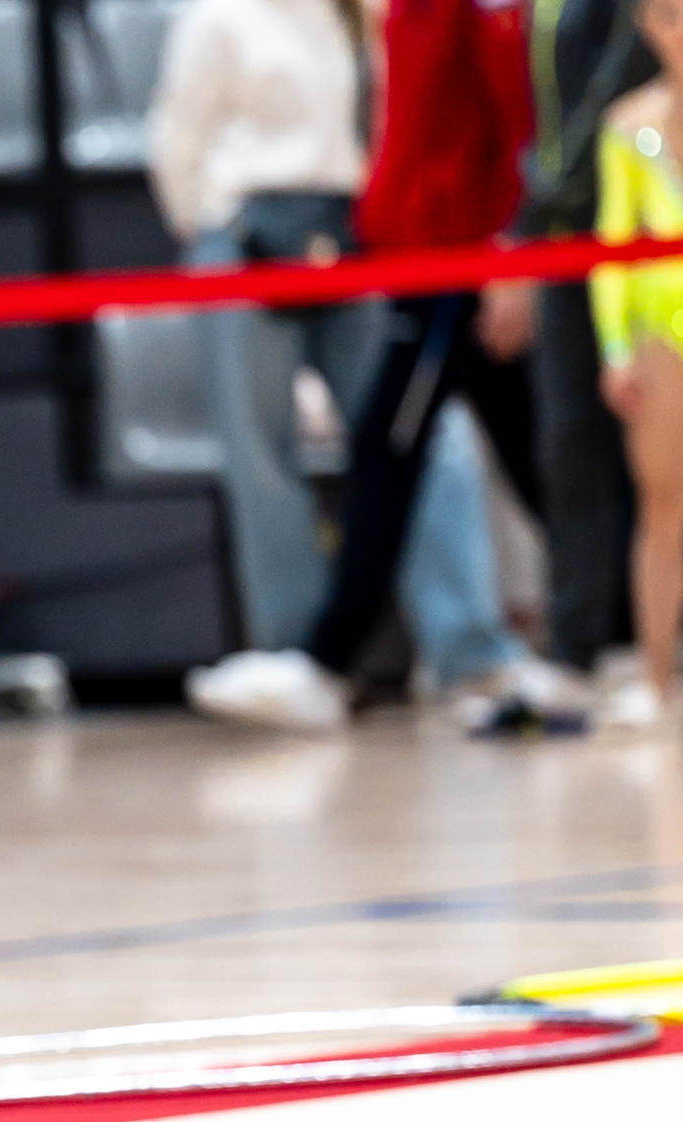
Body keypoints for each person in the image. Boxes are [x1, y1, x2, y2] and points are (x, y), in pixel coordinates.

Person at [185, 0, 574, 731]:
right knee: (519, 449)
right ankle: (604, 628)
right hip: (403, 256)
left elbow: (509, 119)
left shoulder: (459, 10)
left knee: (395, 453)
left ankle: (334, 659)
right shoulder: (380, 17)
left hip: (448, 260)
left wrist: (507, 251)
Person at [148, 0, 379, 650]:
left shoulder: (355, 12)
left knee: (408, 437)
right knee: (263, 453)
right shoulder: (216, 16)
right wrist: (213, 229)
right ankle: (294, 651)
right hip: (246, 232)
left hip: (346, 229)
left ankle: (465, 646)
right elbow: (177, 137)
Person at [481, 0, 658, 681]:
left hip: (634, 231)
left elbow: (616, 89)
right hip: (563, 246)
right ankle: (576, 643)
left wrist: (534, 213)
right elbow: (547, 120)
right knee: (568, 448)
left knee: (658, 455)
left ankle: (651, 640)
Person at [591, 0, 683, 729]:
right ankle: (655, 673)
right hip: (662, 333)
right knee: (662, 503)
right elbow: (612, 249)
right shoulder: (629, 126)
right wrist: (617, 349)